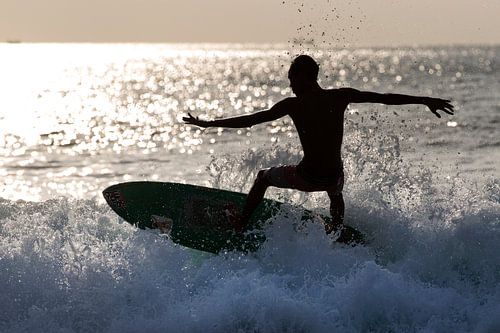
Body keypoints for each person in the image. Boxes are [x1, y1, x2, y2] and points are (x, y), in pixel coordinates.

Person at [183, 55, 454, 234]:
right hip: (334, 178)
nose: (290, 85)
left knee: (263, 177)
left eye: (291, 79)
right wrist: (424, 100)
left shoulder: (295, 104)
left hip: (307, 176)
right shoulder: (340, 97)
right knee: (335, 190)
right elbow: (384, 98)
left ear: (302, 77)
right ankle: (337, 230)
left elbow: (252, 120)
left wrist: (208, 124)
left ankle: (241, 222)